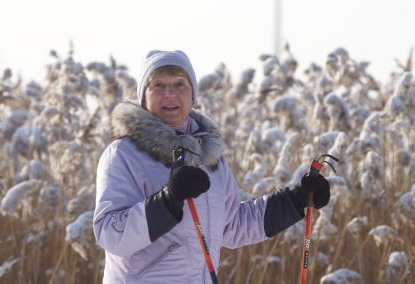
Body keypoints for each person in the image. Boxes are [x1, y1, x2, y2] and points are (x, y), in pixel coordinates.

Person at [93, 50, 330, 283]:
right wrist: (167, 201)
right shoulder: (123, 154)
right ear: (143, 96)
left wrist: (295, 201)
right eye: (158, 85)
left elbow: (233, 225)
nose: (169, 94)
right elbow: (110, 234)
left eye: (179, 84)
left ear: (193, 95)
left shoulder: (207, 155)